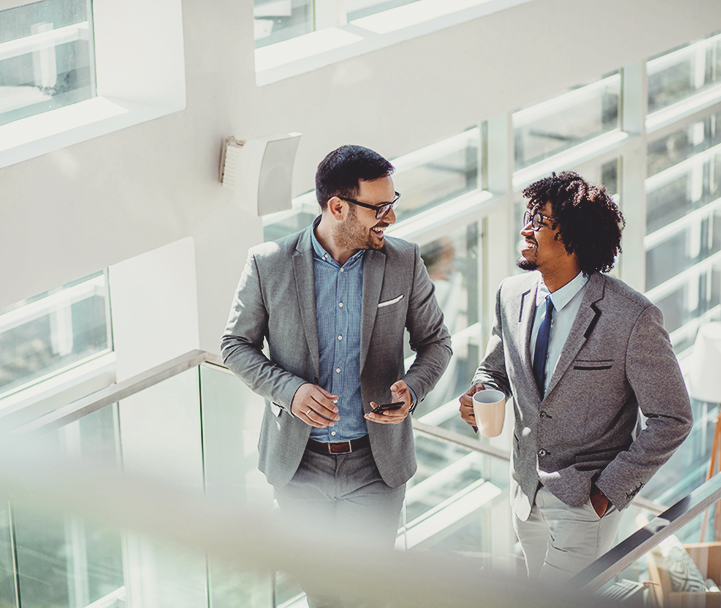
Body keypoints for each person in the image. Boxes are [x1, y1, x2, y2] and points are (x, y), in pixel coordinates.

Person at [222, 145, 452, 607]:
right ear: (337, 206)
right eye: (379, 207)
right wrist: (290, 390)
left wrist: (414, 389)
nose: (389, 216)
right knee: (323, 594)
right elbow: (234, 346)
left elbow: (436, 344)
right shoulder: (269, 263)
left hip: (375, 465)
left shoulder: (404, 262)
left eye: (393, 202)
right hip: (298, 466)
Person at [458, 171, 692, 583]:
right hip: (525, 493)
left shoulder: (632, 317)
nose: (525, 228)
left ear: (575, 239)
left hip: (585, 504)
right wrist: (484, 390)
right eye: (528, 214)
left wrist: (606, 493)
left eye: (539, 220)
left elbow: (672, 418)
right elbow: (497, 367)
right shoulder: (510, 294)